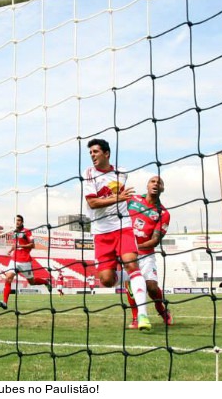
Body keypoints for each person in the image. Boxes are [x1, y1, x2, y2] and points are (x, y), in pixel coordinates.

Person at [83, 138, 151, 330]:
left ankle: (143, 316)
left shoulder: (122, 173)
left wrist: (119, 199)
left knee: (131, 263)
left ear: (106, 153)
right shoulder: (88, 174)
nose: (92, 155)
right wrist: (118, 197)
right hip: (100, 232)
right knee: (106, 280)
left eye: (95, 152)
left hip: (123, 227)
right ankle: (133, 279)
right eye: (90, 153)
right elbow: (92, 203)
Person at [124, 175, 173, 329]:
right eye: (153, 181)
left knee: (151, 287)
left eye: (159, 183)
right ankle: (136, 317)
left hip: (146, 254)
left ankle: (162, 310)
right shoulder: (132, 200)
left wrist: (137, 248)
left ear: (162, 189)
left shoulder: (163, 213)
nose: (156, 184)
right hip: (127, 252)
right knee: (131, 286)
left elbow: (156, 240)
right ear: (147, 185)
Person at [0, 215, 51, 309]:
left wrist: (20, 246)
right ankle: (5, 302)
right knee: (8, 278)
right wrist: (11, 250)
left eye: (19, 220)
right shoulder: (14, 233)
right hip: (14, 260)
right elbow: (15, 244)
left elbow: (32, 245)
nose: (17, 222)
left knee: (32, 282)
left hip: (25, 261)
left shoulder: (27, 231)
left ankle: (46, 282)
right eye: (15, 220)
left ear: (22, 222)